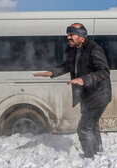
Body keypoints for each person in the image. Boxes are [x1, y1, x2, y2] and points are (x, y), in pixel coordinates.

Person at [33, 23, 112, 158]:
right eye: (68, 34)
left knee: (83, 128)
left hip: (99, 95)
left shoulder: (94, 49)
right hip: (86, 95)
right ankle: (97, 152)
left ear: (81, 36)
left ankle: (89, 156)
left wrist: (84, 79)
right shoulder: (72, 49)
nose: (68, 37)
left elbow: (104, 71)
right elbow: (66, 66)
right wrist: (52, 72)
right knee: (92, 125)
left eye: (71, 34)